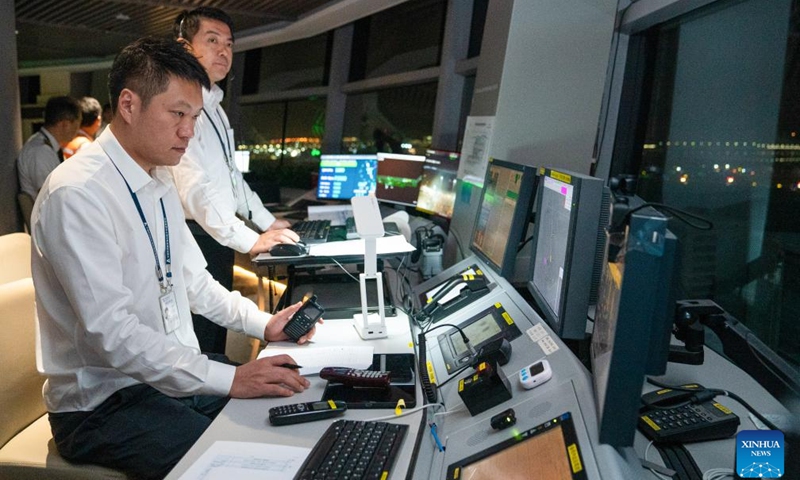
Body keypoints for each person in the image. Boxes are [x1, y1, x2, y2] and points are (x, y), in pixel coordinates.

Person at [31, 37, 316, 479]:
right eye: (177, 114)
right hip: (103, 404)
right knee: (242, 466)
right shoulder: (77, 194)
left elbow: (194, 284)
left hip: (159, 381)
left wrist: (264, 324)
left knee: (285, 412)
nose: (189, 131)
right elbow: (114, 333)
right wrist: (229, 378)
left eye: (195, 117)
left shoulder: (160, 180)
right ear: (129, 104)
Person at [169, 7, 298, 354]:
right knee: (199, 337)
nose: (223, 51)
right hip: (196, 233)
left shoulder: (214, 107)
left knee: (214, 333)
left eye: (228, 44)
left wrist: (269, 223)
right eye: (212, 41)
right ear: (185, 48)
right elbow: (194, 187)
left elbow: (232, 179)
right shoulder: (181, 105)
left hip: (217, 234)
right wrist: (250, 239)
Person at [17, 95, 81, 198]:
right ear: (65, 124)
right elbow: (51, 197)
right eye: (77, 125)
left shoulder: (45, 145)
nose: (77, 130)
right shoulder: (40, 152)